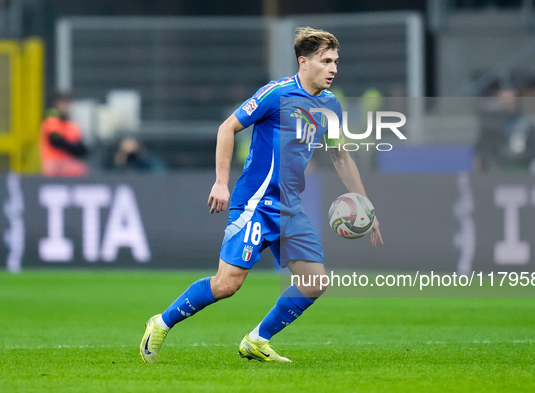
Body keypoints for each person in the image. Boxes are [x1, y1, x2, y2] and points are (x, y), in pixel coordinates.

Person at [140, 27, 383, 363]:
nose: (333, 68)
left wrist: (365, 205)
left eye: (336, 61)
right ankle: (161, 322)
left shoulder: (330, 105)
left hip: (290, 208)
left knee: (315, 282)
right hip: (256, 204)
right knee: (227, 284)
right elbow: (227, 127)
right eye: (326, 61)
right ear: (304, 62)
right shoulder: (276, 94)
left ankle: (257, 340)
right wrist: (221, 182)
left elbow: (340, 156)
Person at [39, 92, 88, 176]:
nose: (65, 107)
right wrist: (73, 147)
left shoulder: (73, 126)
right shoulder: (50, 122)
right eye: (62, 103)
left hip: (69, 164)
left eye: (67, 103)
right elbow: (57, 141)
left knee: (81, 168)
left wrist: (74, 147)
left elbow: (81, 149)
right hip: (52, 164)